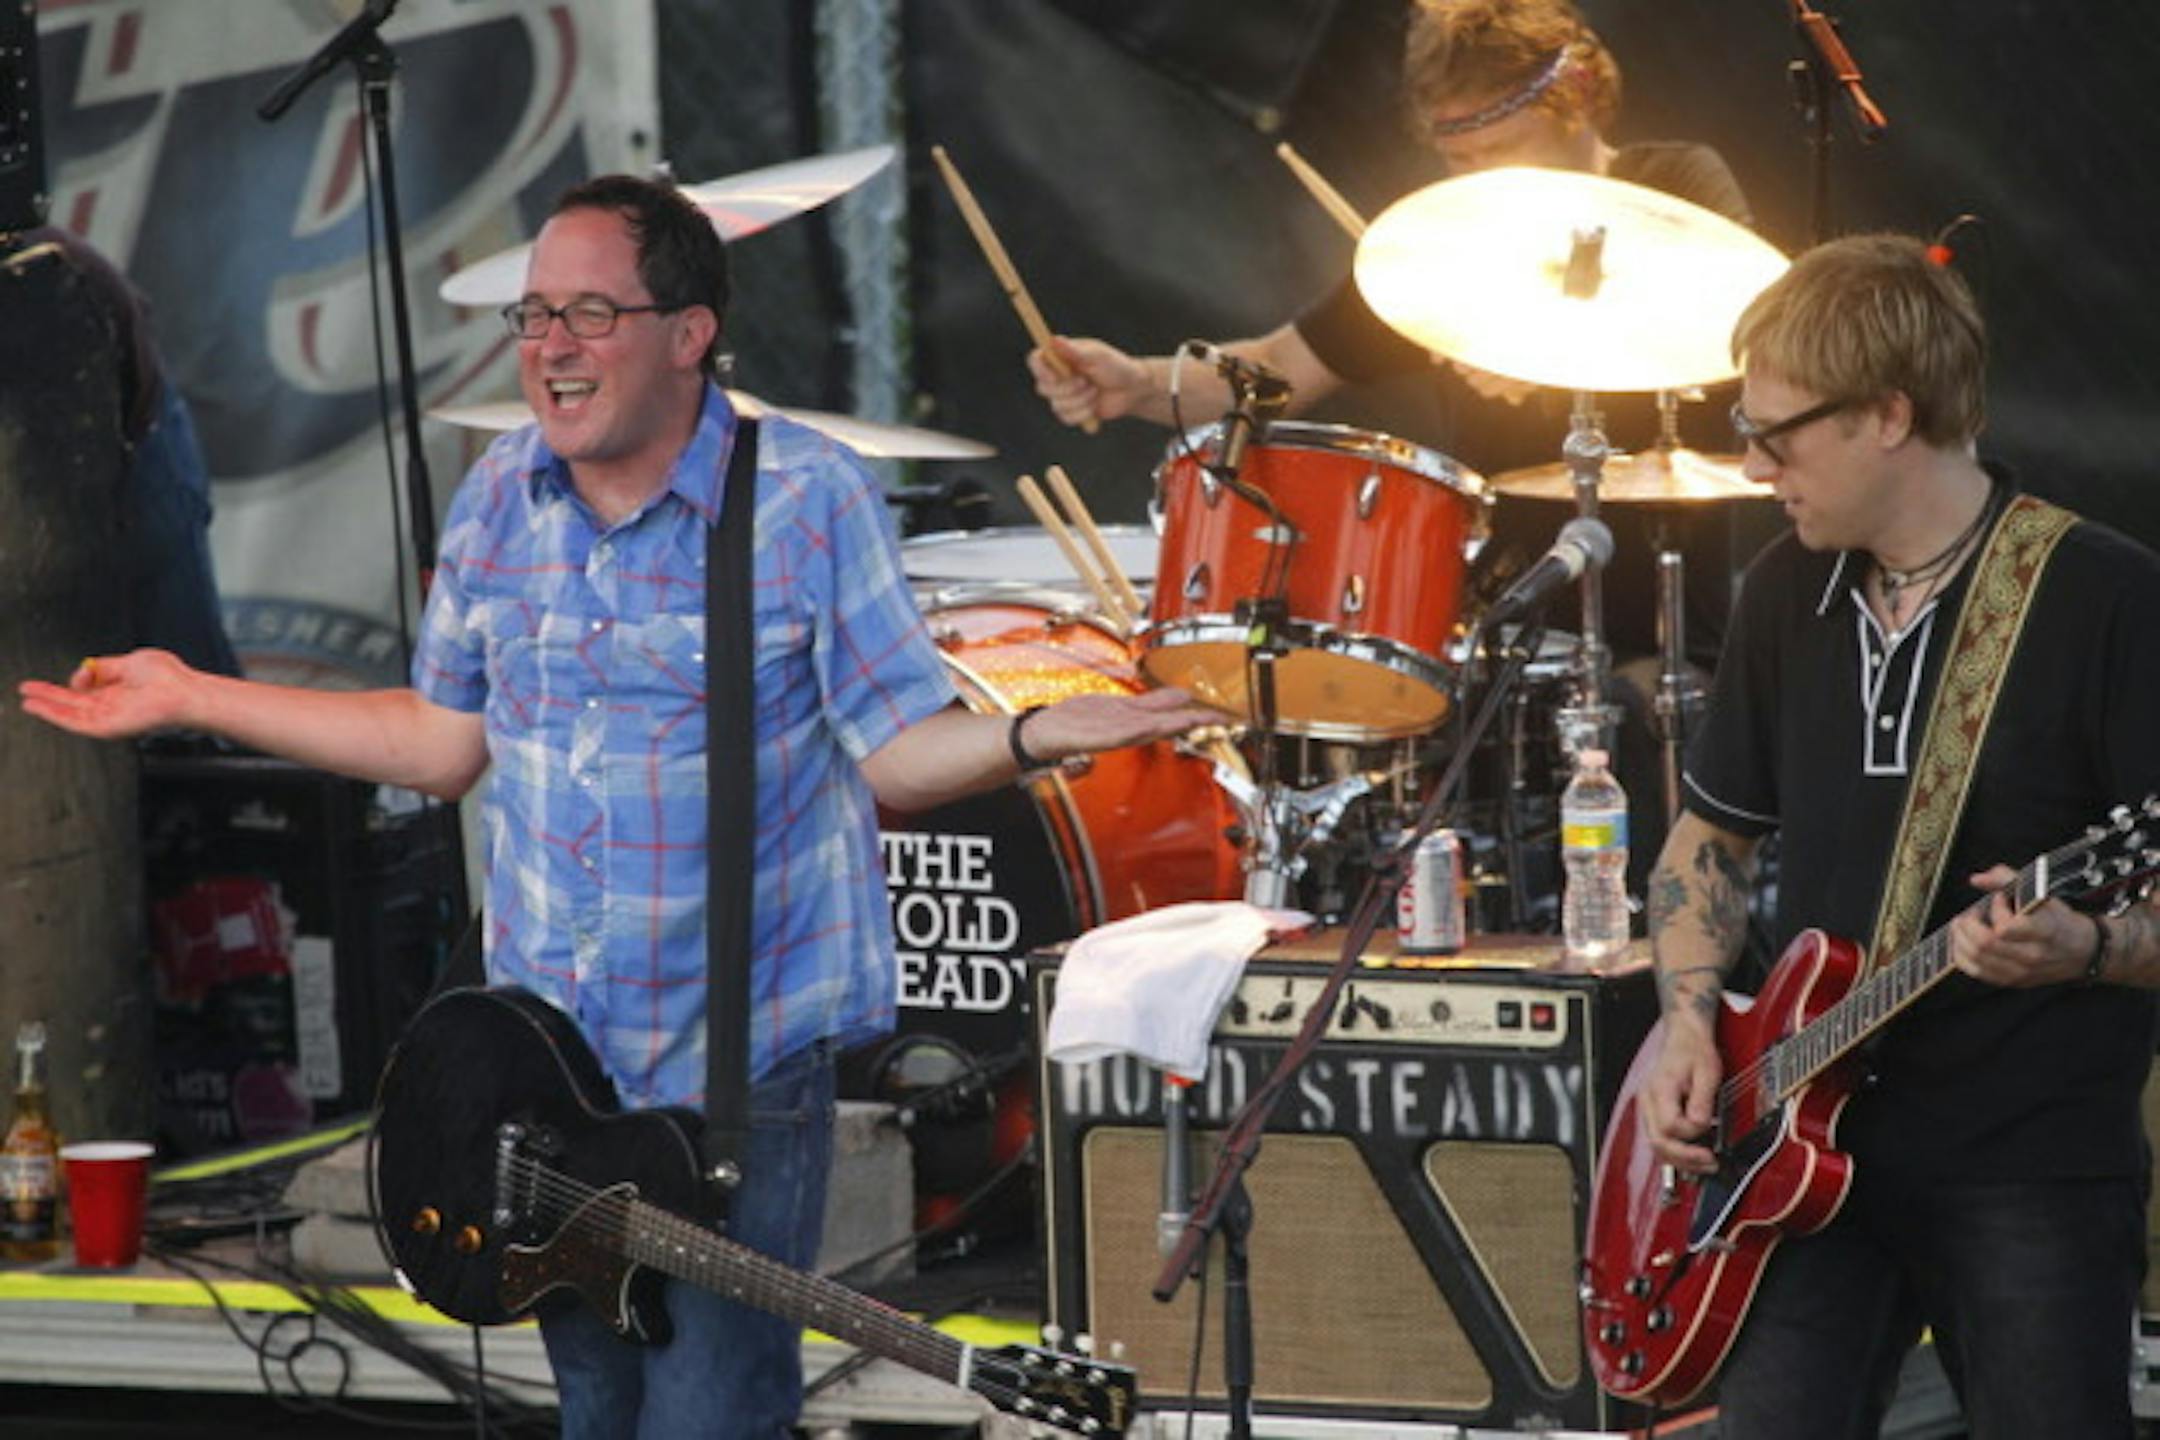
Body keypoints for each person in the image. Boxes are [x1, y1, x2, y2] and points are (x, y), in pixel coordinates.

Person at [19, 174, 1221, 1438]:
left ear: (687, 334)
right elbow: (437, 744)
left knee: (709, 1417)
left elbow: (895, 757)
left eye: (589, 313)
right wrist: (193, 692)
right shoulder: (499, 498)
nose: (550, 348)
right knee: (597, 1412)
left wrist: (1035, 733)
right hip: (545, 1075)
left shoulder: (804, 498)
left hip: (735, 1072)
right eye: (534, 317)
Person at [1026, 0, 1756, 896]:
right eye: (1455, 155)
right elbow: (1282, 366)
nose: (1475, 172)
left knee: (1646, 742)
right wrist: (1135, 381)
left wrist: (1550, 344)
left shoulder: (1676, 189)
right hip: (1491, 627)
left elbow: (1745, 338)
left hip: (1657, 625)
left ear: (1575, 99)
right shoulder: (1451, 243)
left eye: (1498, 145)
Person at [1640, 233, 2160, 1437]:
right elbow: (1706, 846)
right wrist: (1684, 1023)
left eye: (1779, 437)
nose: (1756, 464)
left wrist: (2088, 947)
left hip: (2027, 1161)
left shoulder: (2107, 600)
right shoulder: (1785, 587)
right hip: (1802, 1159)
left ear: (1887, 413)